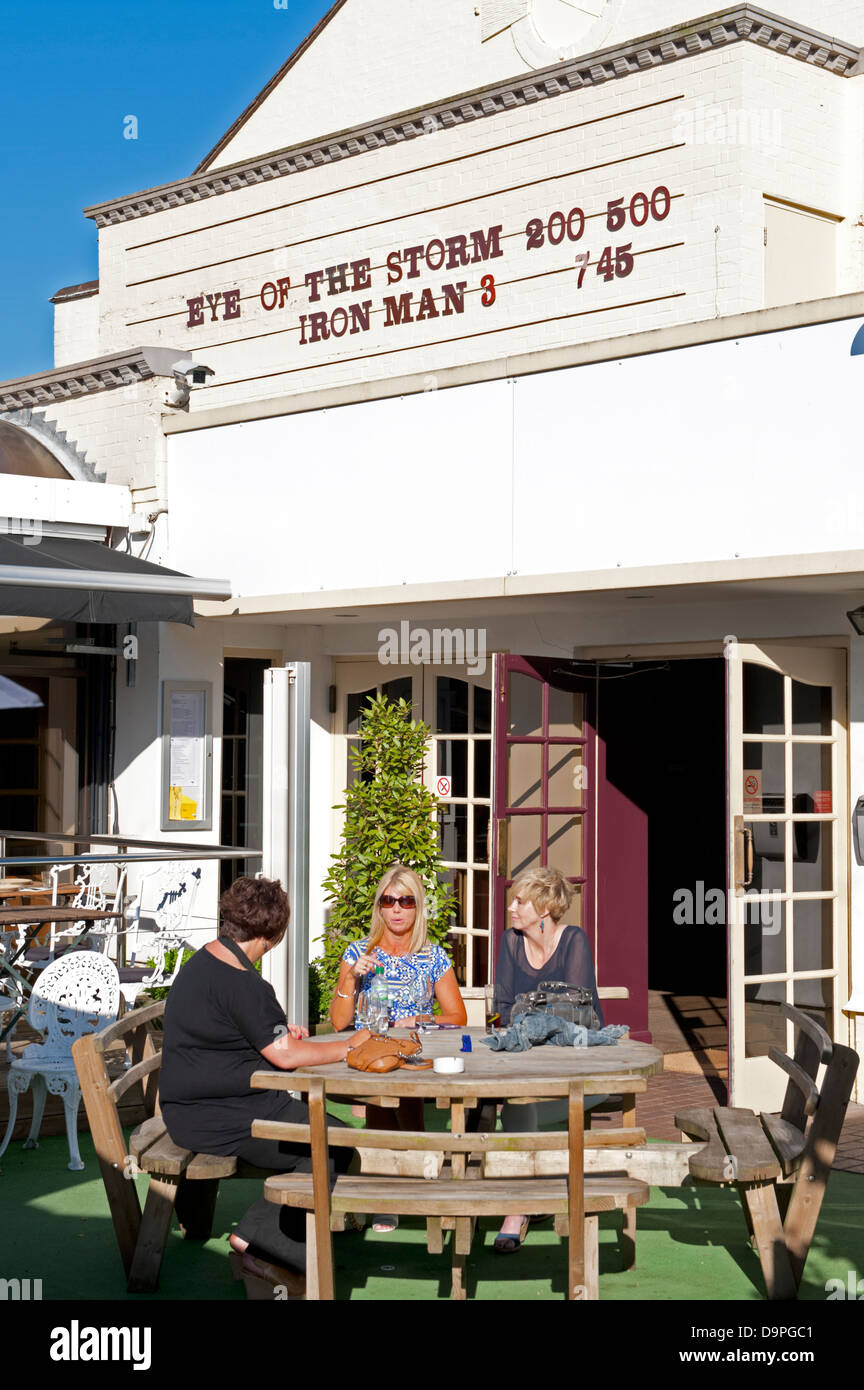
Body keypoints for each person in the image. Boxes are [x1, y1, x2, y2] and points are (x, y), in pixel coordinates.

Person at [159, 876, 371, 1290]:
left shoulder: (203, 961)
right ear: (271, 937)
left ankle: (265, 1236)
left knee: (325, 1140)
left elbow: (228, 1027)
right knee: (333, 1142)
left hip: (190, 1108)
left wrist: (272, 1034)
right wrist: (349, 1045)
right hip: (226, 1113)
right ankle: (264, 1246)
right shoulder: (246, 983)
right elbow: (286, 1056)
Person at [329, 863, 466, 1231]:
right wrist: (351, 977)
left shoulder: (433, 955)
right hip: (370, 1052)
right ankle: (394, 1190)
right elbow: (340, 1021)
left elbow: (457, 1016)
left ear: (417, 906)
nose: (397, 909)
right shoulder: (359, 953)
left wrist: (416, 1020)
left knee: (405, 1101)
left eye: (406, 901)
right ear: (379, 907)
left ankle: (400, 1187)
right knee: (384, 1100)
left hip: (411, 1051)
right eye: (389, 901)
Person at [492, 865, 604, 1253]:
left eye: (519, 901)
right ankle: (516, 1196)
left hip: (580, 1075)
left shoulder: (573, 941)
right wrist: (529, 1020)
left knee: (517, 1105)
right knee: (502, 1103)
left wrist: (526, 1022)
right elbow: (501, 1009)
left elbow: (571, 1017)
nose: (510, 908)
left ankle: (516, 1208)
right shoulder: (510, 942)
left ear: (543, 909)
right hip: (528, 1068)